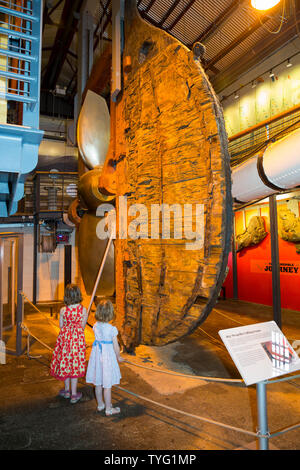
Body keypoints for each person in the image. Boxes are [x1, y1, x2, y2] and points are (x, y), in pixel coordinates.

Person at [50, 284, 88, 404]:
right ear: (79, 294)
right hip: (77, 340)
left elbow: (61, 326)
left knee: (65, 363)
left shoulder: (63, 310)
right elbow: (82, 326)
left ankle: (67, 390)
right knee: (75, 364)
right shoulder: (83, 309)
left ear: (66, 296)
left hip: (65, 340)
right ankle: (74, 393)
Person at [86, 299, 124, 416]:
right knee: (107, 385)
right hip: (107, 357)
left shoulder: (96, 325)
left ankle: (100, 404)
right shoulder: (112, 329)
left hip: (97, 356)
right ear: (111, 313)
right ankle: (108, 409)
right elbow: (116, 346)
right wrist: (118, 356)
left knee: (98, 382)